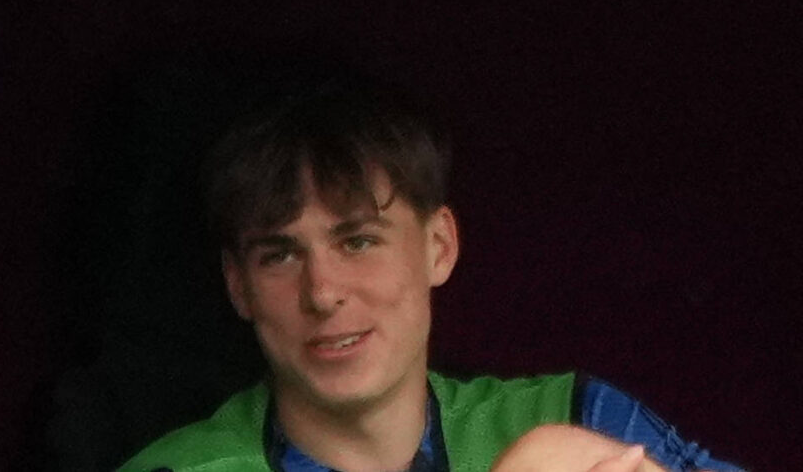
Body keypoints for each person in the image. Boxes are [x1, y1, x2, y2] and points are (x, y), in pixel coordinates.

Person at [116, 73, 736, 472]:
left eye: (357, 241)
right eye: (279, 255)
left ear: (438, 245)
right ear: (238, 285)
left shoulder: (573, 416)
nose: (323, 292)